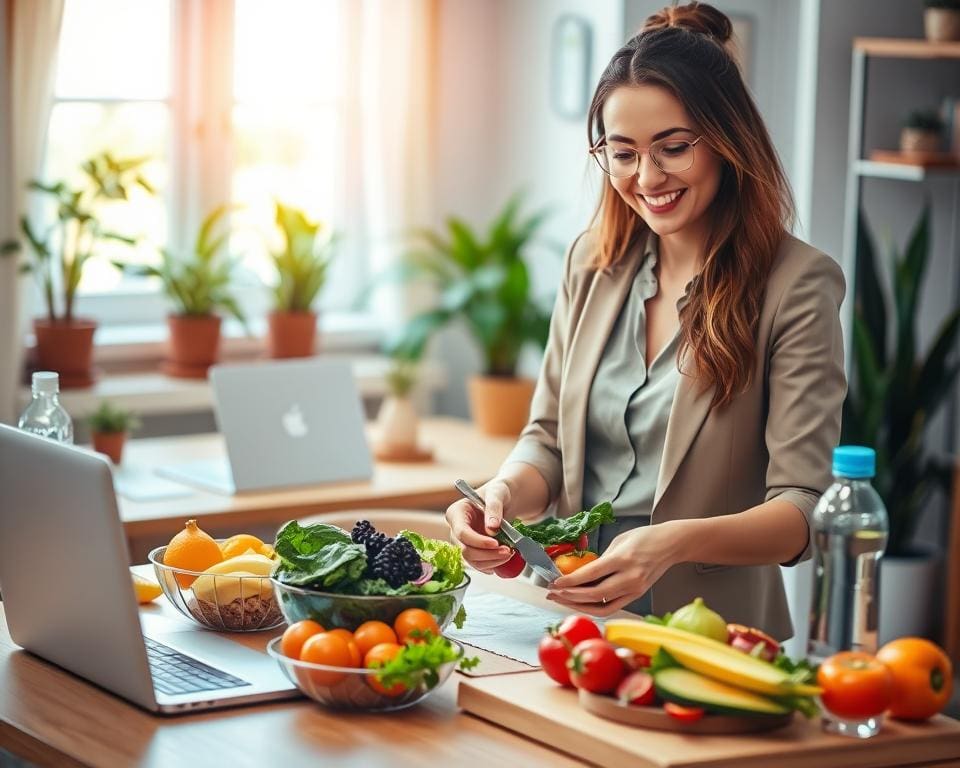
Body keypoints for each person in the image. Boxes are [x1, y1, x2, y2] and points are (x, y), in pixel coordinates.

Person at [444, 2, 845, 640]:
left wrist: (667, 545)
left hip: (710, 634)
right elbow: (547, 442)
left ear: (727, 139)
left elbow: (804, 510)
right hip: (565, 617)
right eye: (622, 153)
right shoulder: (593, 262)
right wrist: (499, 495)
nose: (647, 177)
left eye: (674, 148)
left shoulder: (796, 285)